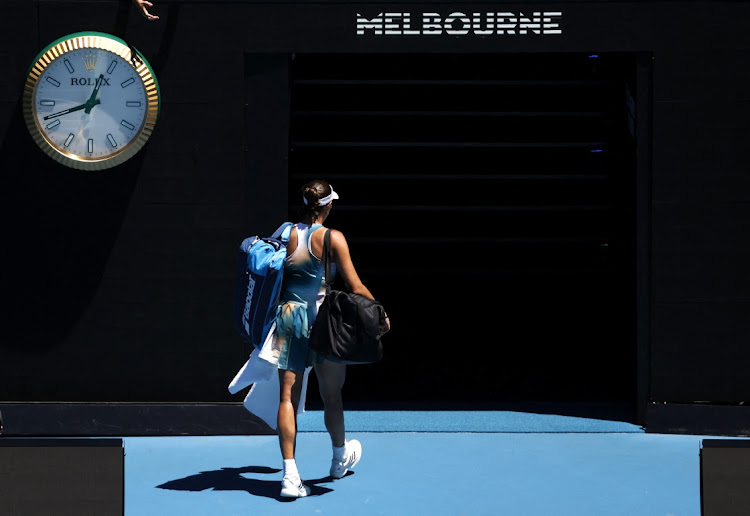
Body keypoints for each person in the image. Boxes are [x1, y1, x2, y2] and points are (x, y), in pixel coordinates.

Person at [275, 180, 389, 498]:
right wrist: (380, 314)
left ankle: (290, 477)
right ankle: (339, 460)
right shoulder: (333, 237)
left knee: (287, 399)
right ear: (328, 206)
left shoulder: (285, 233)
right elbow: (356, 286)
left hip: (288, 318)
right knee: (332, 396)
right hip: (324, 322)